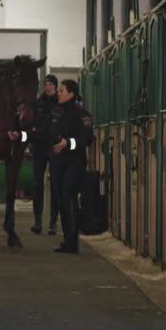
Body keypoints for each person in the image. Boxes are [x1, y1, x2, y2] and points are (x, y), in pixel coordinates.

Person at [47, 80, 93, 253]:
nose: (58, 93)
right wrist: (20, 136)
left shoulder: (81, 114)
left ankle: (73, 241)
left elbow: (87, 139)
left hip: (74, 162)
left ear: (72, 94)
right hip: (57, 162)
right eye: (58, 90)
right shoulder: (55, 113)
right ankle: (67, 240)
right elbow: (43, 134)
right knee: (60, 200)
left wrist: (68, 143)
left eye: (62, 90)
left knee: (69, 196)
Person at [25, 74, 60, 235]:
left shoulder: (61, 103)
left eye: (50, 84)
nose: (47, 87)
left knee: (55, 185)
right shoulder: (37, 104)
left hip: (55, 148)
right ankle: (37, 221)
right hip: (39, 148)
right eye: (45, 84)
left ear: (55, 86)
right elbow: (30, 125)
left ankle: (53, 222)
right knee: (37, 184)